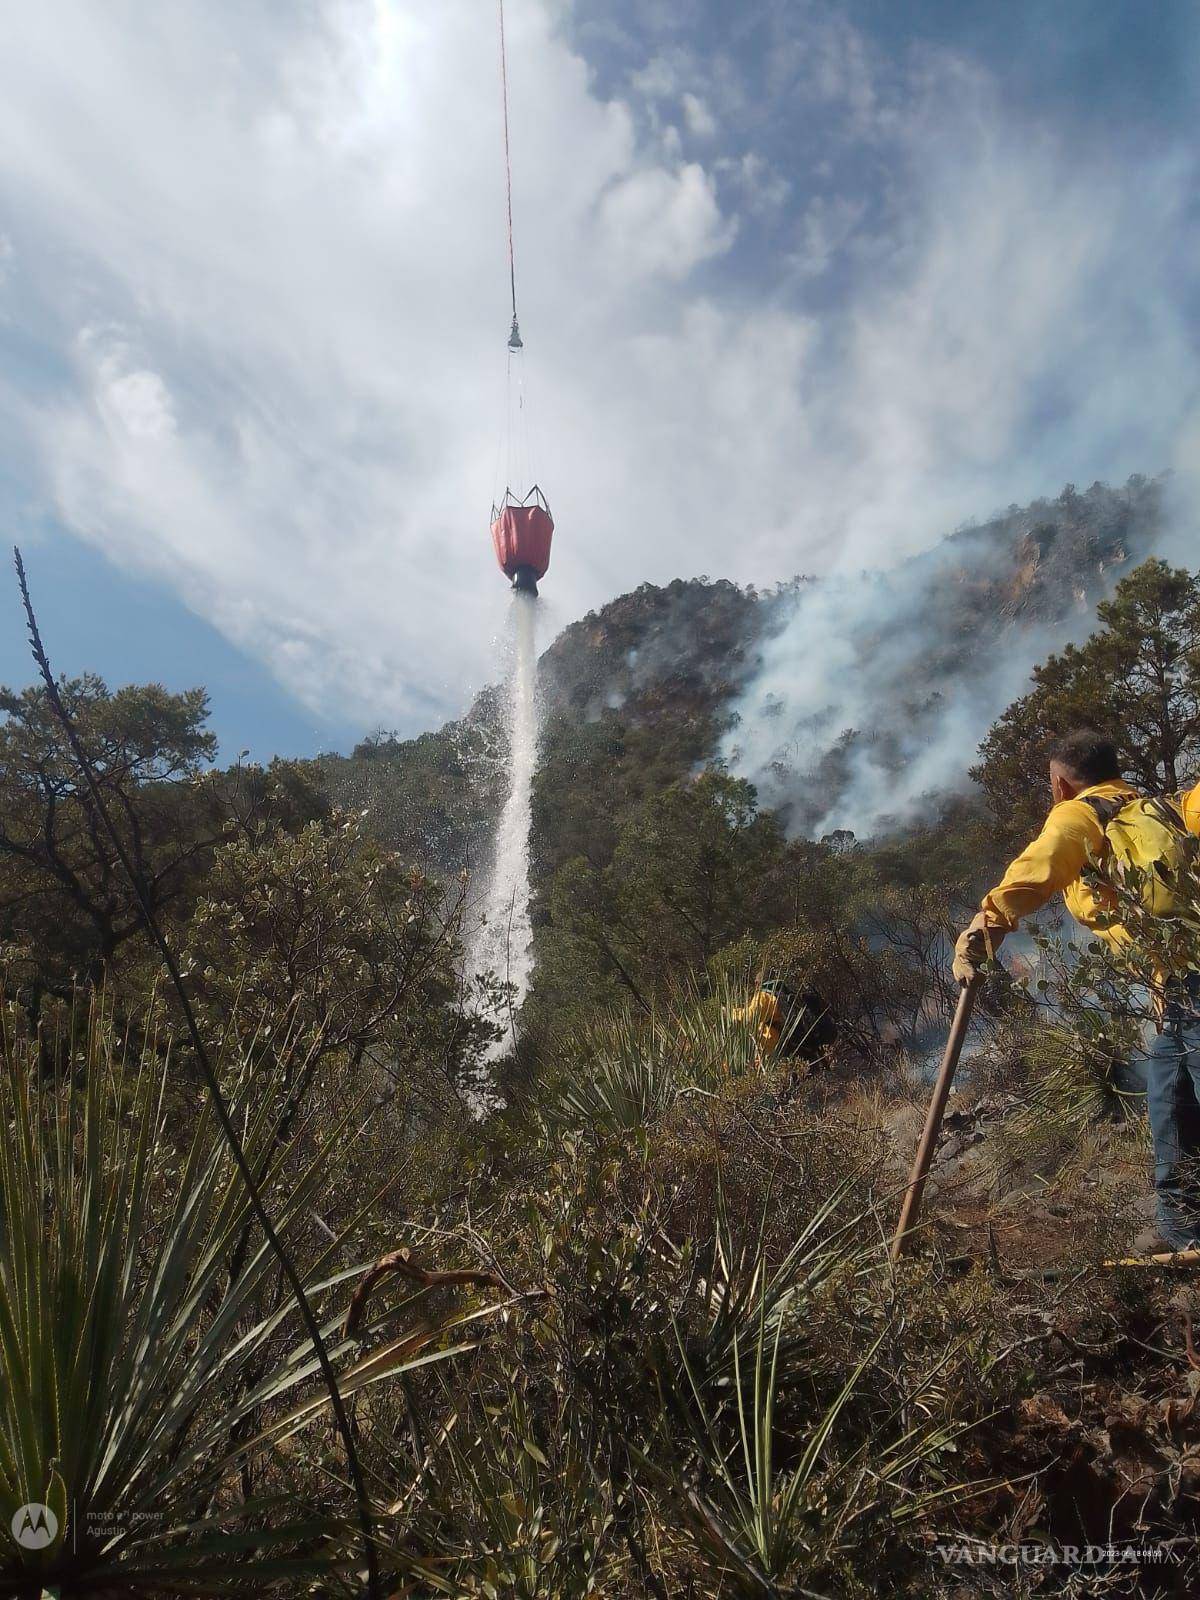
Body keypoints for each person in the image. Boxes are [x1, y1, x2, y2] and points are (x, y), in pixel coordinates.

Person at [953, 729, 1200, 1251]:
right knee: (1170, 1105)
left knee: (1176, 1107)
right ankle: (1184, 1239)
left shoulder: (1079, 815)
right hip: (1179, 995)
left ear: (1061, 784)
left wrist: (983, 929)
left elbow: (1037, 870)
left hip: (1192, 987)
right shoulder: (1162, 809)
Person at [729, 978, 836, 1068]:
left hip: (781, 1052)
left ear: (757, 983)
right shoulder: (786, 995)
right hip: (802, 1047)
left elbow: (750, 1017)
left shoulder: (764, 996)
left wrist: (730, 1013)